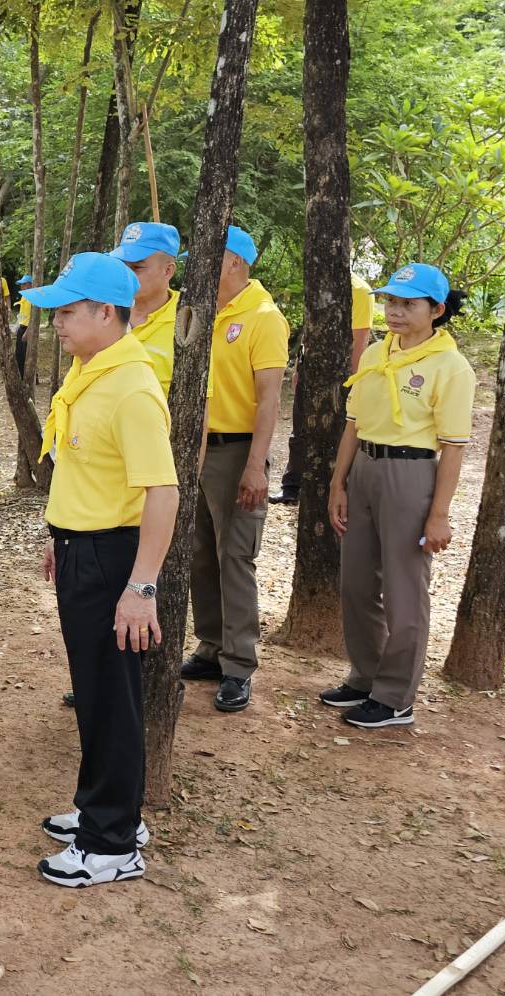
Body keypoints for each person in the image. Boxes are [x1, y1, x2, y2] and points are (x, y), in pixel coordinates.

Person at [20, 253, 179, 888]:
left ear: (105, 313)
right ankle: (104, 809)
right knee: (96, 691)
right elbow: (87, 471)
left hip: (115, 558)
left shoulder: (131, 387)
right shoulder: (92, 373)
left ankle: (112, 844)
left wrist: (141, 587)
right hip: (82, 547)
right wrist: (61, 536)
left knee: (111, 696)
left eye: (67, 310)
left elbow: (160, 493)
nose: (56, 321)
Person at [322, 264, 473, 728]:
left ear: (436, 310)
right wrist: (337, 483)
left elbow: (453, 447)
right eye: (391, 301)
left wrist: (439, 515)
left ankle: (395, 697)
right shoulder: (375, 354)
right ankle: (365, 677)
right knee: (357, 583)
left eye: (408, 304)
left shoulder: (451, 367)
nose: (395, 311)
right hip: (365, 467)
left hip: (411, 476)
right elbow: (353, 423)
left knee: (405, 590)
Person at [182, 226, 289, 713]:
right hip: (197, 448)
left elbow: (269, 398)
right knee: (201, 551)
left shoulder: (264, 318)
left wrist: (255, 467)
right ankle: (210, 646)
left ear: (234, 262)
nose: (195, 267)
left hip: (237, 451)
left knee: (235, 557)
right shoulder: (203, 311)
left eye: (207, 257)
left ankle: (239, 665)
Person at [271, 271, 375, 504]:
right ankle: (292, 486)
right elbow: (310, 332)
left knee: (340, 431)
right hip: (312, 367)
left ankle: (337, 486)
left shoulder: (359, 290)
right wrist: (300, 366)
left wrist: (353, 381)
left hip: (340, 373)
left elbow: (360, 338)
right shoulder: (319, 279)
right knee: (299, 429)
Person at [110, 221, 182, 394]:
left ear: (168, 271)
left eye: (137, 267)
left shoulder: (188, 321)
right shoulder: (105, 313)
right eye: (123, 266)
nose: (127, 274)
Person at [13, 274, 33, 376]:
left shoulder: (33, 298)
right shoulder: (24, 297)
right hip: (21, 328)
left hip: (28, 329)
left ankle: (32, 377)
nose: (22, 287)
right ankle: (21, 376)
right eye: (21, 285)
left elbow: (33, 318)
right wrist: (16, 326)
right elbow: (22, 314)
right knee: (19, 354)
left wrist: (28, 332)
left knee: (27, 355)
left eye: (24, 284)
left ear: (30, 284)